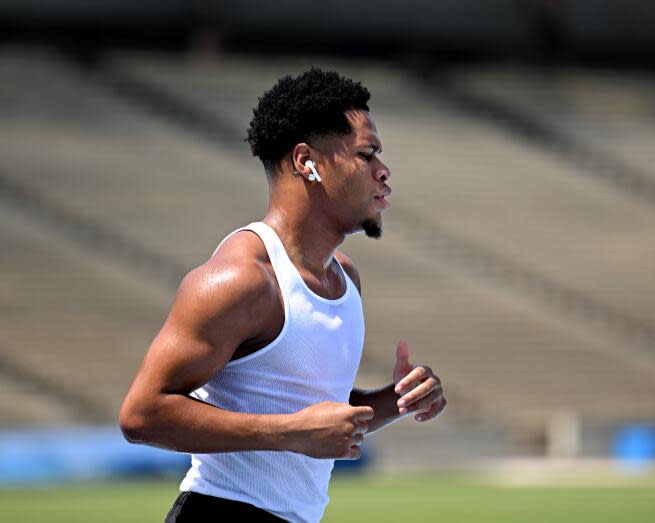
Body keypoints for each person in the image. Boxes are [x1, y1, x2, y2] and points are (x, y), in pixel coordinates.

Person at [119, 68, 446, 523]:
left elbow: (307, 410)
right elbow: (141, 415)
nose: (383, 171)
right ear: (306, 161)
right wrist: (290, 432)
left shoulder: (345, 279)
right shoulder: (241, 280)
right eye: (366, 155)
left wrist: (398, 400)